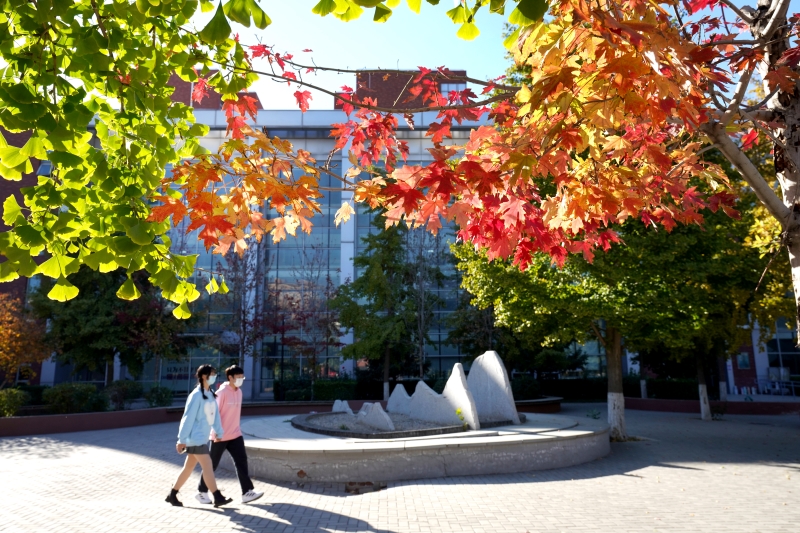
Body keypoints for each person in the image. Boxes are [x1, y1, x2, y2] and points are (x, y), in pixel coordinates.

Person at [165, 364, 233, 508]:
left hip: (201, 438)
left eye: (215, 373)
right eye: (212, 373)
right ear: (204, 376)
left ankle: (172, 495)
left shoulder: (210, 394)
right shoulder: (196, 395)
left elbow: (214, 417)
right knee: (208, 466)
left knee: (188, 468)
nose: (214, 376)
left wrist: (219, 432)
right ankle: (217, 496)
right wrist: (181, 440)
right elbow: (187, 418)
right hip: (195, 439)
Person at [195, 365, 264, 505]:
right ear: (230, 378)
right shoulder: (221, 393)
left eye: (242, 377)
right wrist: (216, 432)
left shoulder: (239, 392)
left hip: (235, 434)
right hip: (220, 435)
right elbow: (214, 414)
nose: (240, 380)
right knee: (211, 465)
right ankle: (202, 492)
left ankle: (247, 492)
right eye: (238, 377)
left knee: (241, 461)